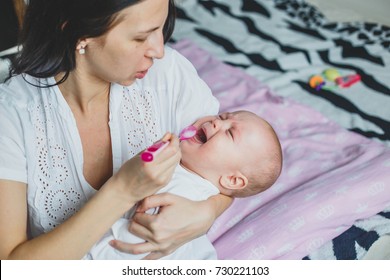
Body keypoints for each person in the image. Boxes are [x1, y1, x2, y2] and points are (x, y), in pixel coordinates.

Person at [0, 0, 233, 260]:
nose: (158, 51)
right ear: (78, 33)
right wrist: (122, 191)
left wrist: (208, 212)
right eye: (140, 37)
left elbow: (234, 170)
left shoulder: (170, 74)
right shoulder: (10, 116)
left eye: (162, 28)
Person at [86, 110, 283, 259]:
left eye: (230, 133)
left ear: (232, 180)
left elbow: (126, 248)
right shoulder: (183, 176)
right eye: (223, 117)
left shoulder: (181, 192)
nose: (217, 122)